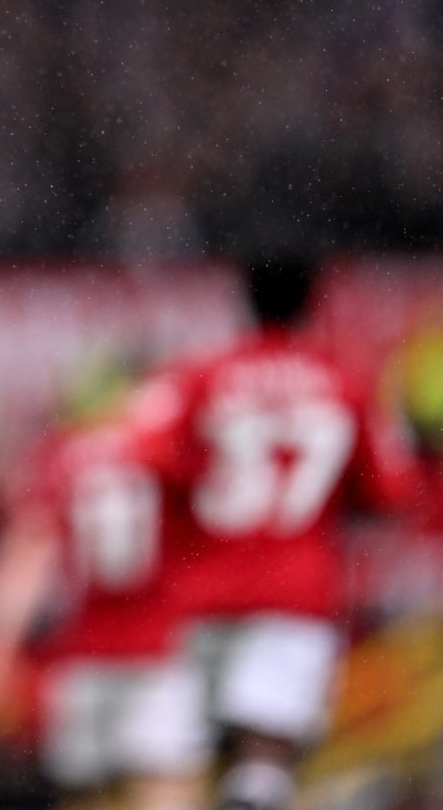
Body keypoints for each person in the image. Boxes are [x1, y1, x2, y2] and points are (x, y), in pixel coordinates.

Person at [132, 257, 421, 810]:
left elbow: (148, 458)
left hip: (201, 593)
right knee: (265, 758)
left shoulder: (196, 375)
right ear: (313, 300)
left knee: (196, 758)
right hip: (295, 591)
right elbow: (390, 491)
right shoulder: (344, 382)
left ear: (243, 297)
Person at [0, 410, 207, 810]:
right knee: (167, 778)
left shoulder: (63, 455)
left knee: (89, 791)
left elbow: (29, 555)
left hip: (83, 653)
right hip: (168, 647)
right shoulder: (173, 449)